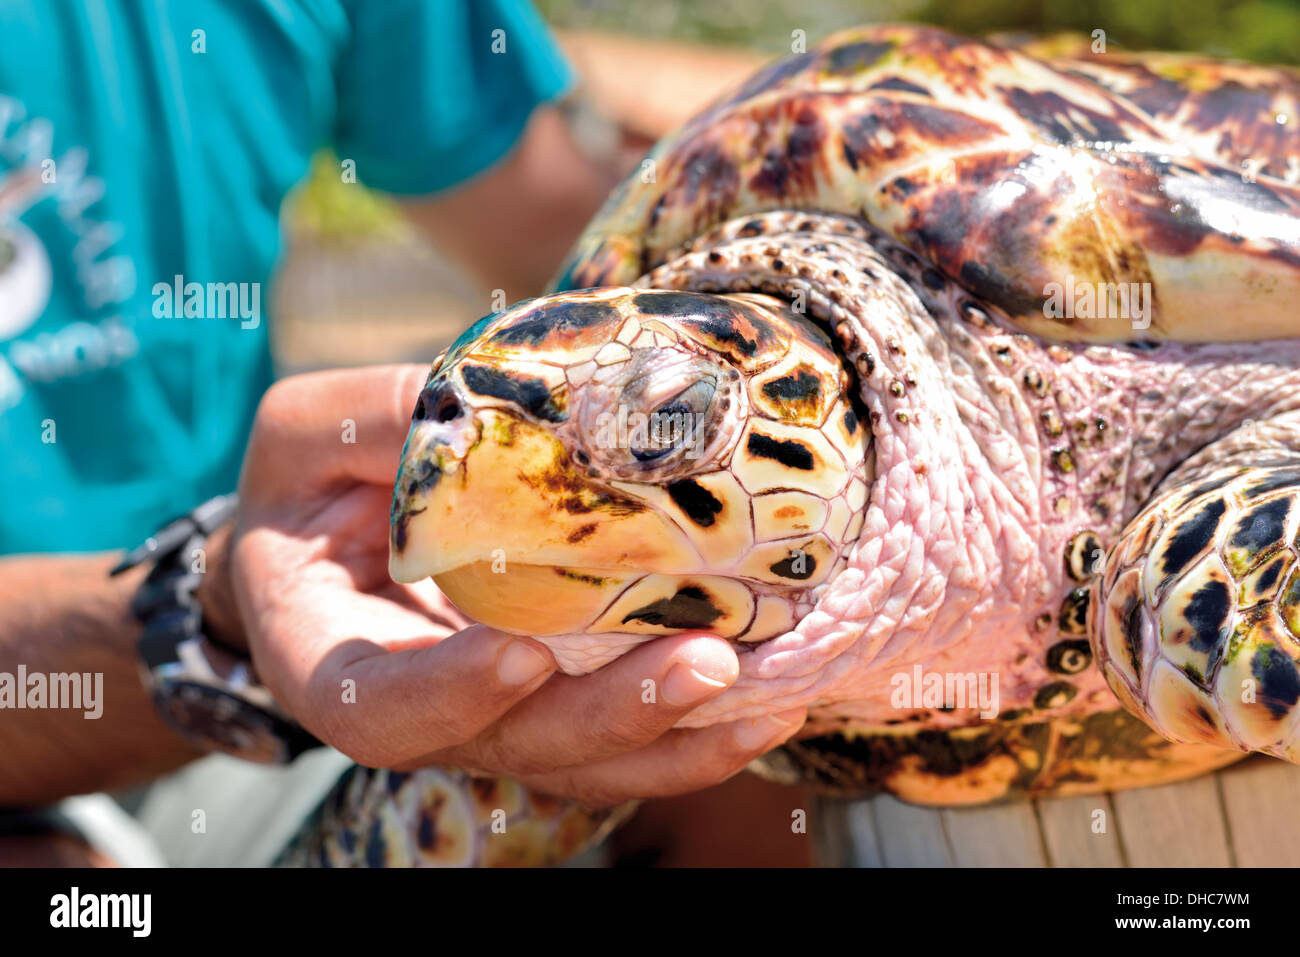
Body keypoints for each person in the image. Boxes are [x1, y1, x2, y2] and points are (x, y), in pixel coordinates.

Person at [0, 0, 801, 865]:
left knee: (750, 721)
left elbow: (586, 221)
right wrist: (213, 611)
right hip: (151, 663)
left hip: (250, 691)